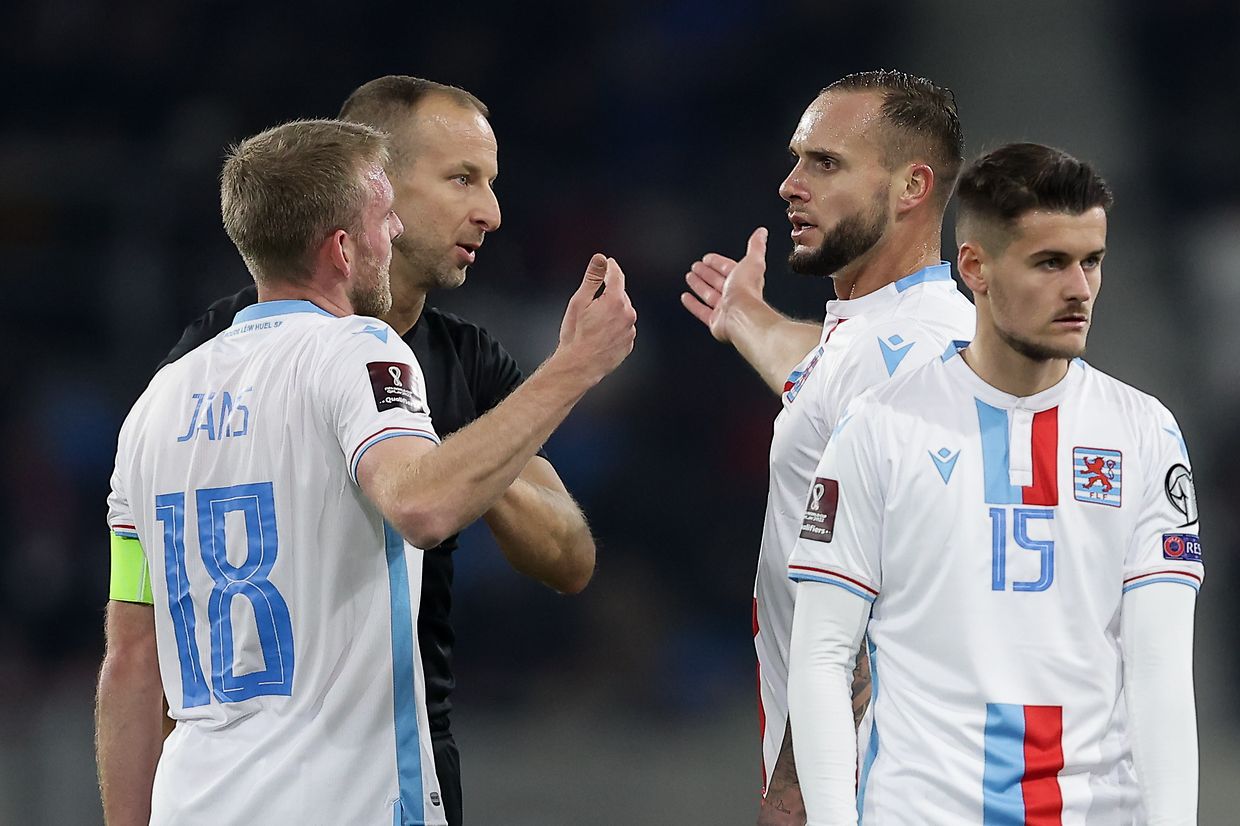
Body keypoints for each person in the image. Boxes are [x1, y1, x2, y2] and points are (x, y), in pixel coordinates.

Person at [96, 119, 636, 825]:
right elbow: (423, 504)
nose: (396, 236)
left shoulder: (156, 403)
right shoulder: (357, 350)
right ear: (344, 249)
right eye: (386, 219)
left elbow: (132, 662)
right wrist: (573, 368)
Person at [786, 143, 1201, 824]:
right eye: (1050, 263)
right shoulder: (880, 429)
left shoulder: (1144, 435)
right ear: (975, 267)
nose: (1080, 289)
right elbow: (823, 655)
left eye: (1090, 261)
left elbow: (1159, 674)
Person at [680, 70, 975, 823]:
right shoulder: (884, 336)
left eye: (825, 163)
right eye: (796, 159)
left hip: (880, 786)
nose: (789, 184)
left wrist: (796, 792)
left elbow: (888, 607)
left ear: (912, 186)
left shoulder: (911, 354)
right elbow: (823, 381)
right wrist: (748, 320)